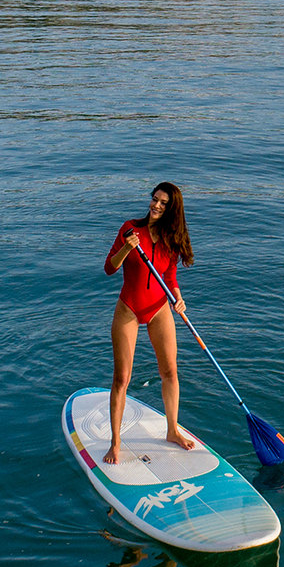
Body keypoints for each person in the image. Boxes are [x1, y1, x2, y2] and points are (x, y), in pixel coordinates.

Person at [103, 183, 196, 458]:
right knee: (122, 378)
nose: (155, 205)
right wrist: (126, 248)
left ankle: (172, 430)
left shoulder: (172, 239)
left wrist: (178, 299)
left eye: (163, 203)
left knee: (170, 372)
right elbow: (109, 268)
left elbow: (169, 277)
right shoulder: (131, 229)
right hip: (129, 309)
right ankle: (116, 442)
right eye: (154, 200)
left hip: (159, 309)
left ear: (172, 209)